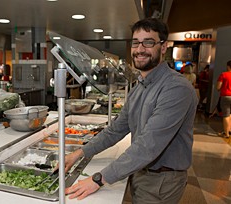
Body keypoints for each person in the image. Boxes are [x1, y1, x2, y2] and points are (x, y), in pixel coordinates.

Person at [63, 18, 198, 203]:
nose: (140, 49)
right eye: (136, 43)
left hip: (161, 180)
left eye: (148, 42)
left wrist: (98, 179)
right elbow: (116, 129)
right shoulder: (139, 87)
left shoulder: (176, 88)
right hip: (140, 171)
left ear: (164, 46)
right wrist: (79, 153)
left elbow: (149, 145)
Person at [216, 60, 231, 138]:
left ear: (228, 66)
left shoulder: (224, 75)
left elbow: (218, 87)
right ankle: (229, 130)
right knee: (230, 114)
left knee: (226, 115)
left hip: (226, 96)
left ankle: (226, 133)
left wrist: (219, 88)